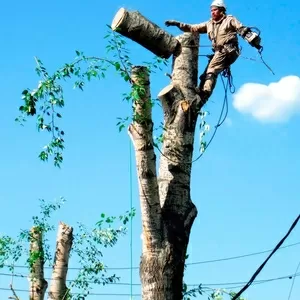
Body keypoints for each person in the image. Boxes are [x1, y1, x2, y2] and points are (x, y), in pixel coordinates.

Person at [165, 0, 262, 103]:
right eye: (211, 10)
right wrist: (177, 23)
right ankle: (201, 93)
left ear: (221, 11)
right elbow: (192, 28)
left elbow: (241, 29)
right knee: (206, 74)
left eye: (215, 10)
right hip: (219, 52)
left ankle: (205, 92)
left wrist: (253, 40)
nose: (212, 12)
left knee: (211, 70)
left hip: (228, 50)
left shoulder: (230, 20)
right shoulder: (209, 24)